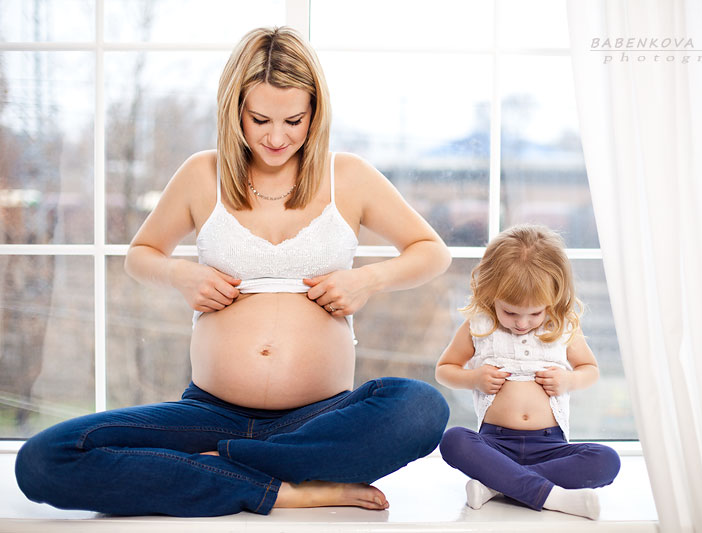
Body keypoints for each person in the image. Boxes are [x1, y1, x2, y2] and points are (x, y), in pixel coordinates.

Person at [15, 26, 451, 517]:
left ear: (315, 113)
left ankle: (222, 471)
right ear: (234, 109)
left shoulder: (348, 176)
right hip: (207, 414)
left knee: (422, 407)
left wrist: (367, 280)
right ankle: (283, 489)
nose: (276, 137)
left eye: (294, 120)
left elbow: (431, 251)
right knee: (43, 459)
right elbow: (142, 254)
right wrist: (182, 276)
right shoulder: (203, 174)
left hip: (318, 422)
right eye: (260, 119)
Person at [435, 224, 620, 520]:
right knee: (453, 440)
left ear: (554, 298)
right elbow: (444, 370)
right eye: (510, 312)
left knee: (606, 460)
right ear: (490, 293)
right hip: (494, 445)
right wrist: (474, 378)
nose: (522, 323)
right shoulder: (480, 326)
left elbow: (590, 370)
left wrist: (569, 380)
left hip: (550, 446)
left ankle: (496, 485)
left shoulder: (562, 328)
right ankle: (552, 496)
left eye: (535, 313)